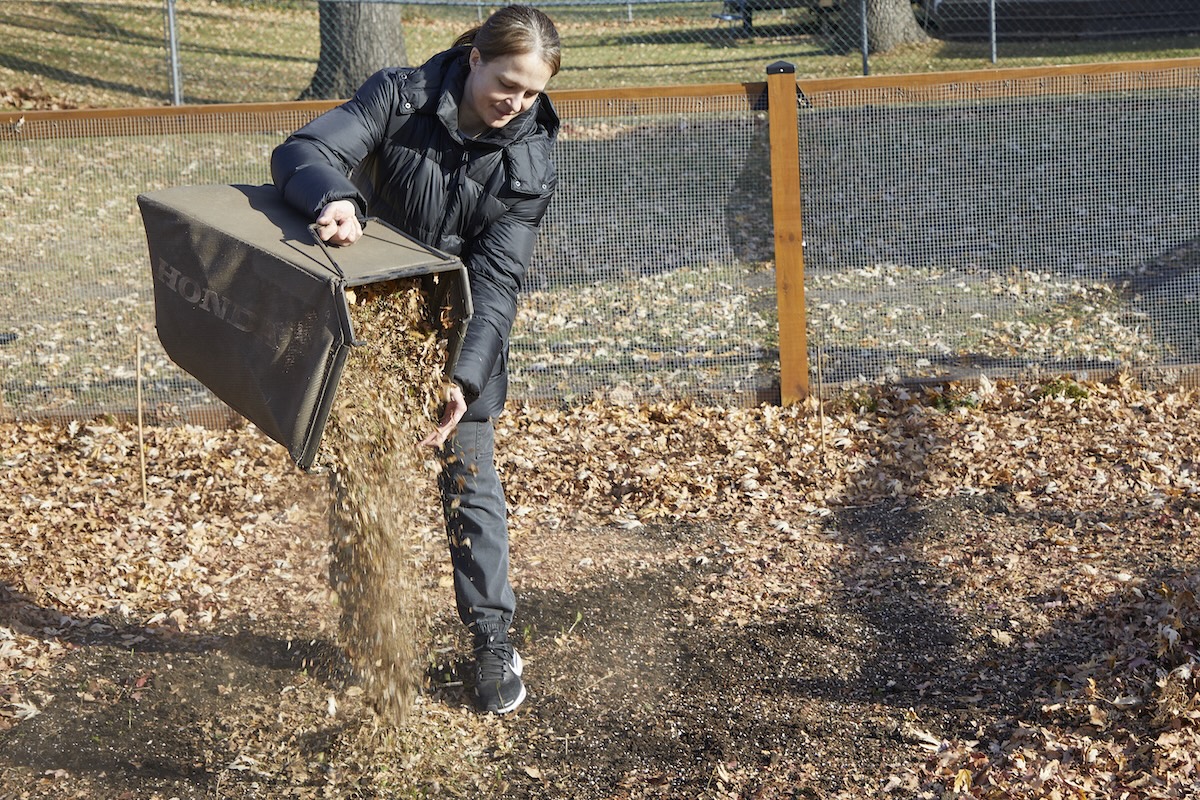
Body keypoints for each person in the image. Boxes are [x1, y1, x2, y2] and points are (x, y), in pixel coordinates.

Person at [270, 4, 561, 715]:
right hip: (365, 326)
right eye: (506, 83)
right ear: (475, 59)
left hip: (456, 335)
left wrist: (463, 375)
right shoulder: (398, 97)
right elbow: (302, 151)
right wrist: (334, 196)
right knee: (358, 478)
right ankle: (367, 632)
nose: (514, 103)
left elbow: (497, 283)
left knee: (470, 484)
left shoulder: (528, 162)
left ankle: (492, 640)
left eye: (530, 93)